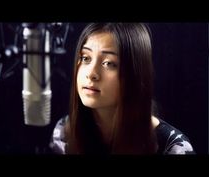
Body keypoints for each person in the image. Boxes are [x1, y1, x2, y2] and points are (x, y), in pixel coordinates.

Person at [49, 23, 195, 154]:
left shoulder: (175, 149)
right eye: (86, 58)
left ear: (135, 73)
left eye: (109, 63)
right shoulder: (64, 132)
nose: (91, 74)